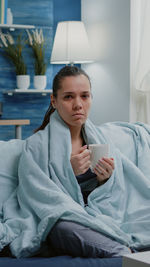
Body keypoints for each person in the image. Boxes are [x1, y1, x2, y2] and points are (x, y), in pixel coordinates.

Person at [34, 65, 131, 257]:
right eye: (68, 97)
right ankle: (124, 253)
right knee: (61, 226)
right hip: (65, 216)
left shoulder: (101, 139)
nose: (78, 104)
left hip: (99, 213)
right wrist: (67, 172)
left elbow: (118, 192)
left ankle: (123, 249)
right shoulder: (36, 145)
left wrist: (105, 180)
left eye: (84, 96)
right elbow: (36, 194)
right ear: (54, 101)